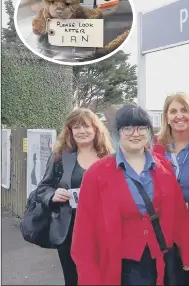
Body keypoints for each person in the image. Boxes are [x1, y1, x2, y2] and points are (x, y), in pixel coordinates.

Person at [71, 104, 189, 285]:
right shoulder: (96, 174)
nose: (135, 133)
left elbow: (179, 215)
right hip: (121, 266)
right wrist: (89, 278)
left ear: (149, 131)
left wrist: (187, 252)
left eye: (142, 127)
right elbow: (84, 234)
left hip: (161, 260)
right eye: (128, 127)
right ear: (117, 132)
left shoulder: (163, 167)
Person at [36, 108, 114, 285]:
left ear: (96, 129)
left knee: (101, 277)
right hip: (69, 229)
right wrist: (53, 194)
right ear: (70, 131)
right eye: (76, 127)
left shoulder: (108, 157)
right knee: (73, 279)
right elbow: (43, 188)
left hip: (101, 229)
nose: (81, 131)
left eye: (86, 126)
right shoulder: (61, 156)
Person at [153, 92, 189, 203]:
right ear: (166, 116)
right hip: (164, 216)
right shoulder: (154, 146)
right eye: (173, 112)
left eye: (184, 110)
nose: (179, 116)